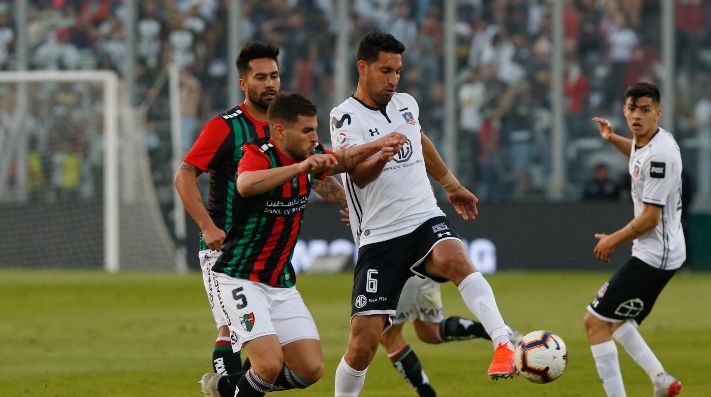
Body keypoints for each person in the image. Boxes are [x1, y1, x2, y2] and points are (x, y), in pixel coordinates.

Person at [330, 31, 516, 397]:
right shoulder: (344, 117)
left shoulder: (406, 105)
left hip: (422, 218)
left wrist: (450, 183)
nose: (393, 79)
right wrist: (380, 156)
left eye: (398, 71)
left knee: (454, 257)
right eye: (385, 70)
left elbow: (420, 140)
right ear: (362, 68)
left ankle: (503, 342)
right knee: (363, 345)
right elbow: (357, 175)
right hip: (379, 238)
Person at [198, 91, 406, 397]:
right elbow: (245, 184)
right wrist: (300, 169)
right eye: (307, 130)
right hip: (240, 276)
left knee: (309, 369)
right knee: (267, 365)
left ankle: (228, 387)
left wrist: (378, 145)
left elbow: (344, 160)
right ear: (280, 131)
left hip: (280, 281)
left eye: (316, 129)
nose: (314, 138)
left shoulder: (310, 153)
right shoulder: (258, 153)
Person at [174, 42, 347, 381]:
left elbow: (319, 178)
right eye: (260, 77)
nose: (270, 83)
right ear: (244, 84)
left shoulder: (292, 125)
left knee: (279, 362)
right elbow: (184, 174)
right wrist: (207, 226)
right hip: (226, 248)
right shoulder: (225, 127)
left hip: (273, 256)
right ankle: (228, 387)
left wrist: (347, 203)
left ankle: (230, 388)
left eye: (274, 76)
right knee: (230, 330)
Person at [585, 82, 684, 397]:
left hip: (655, 256)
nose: (636, 116)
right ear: (624, 110)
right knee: (618, 323)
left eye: (645, 109)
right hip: (657, 251)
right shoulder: (650, 142)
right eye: (631, 109)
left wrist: (613, 239)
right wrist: (613, 138)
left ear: (658, 111)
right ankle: (661, 380)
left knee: (594, 323)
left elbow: (649, 219)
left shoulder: (661, 157)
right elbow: (637, 155)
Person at [382, 275, 522, 397]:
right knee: (429, 331)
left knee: (390, 337)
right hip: (422, 264)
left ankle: (427, 394)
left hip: (397, 264)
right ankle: (499, 331)